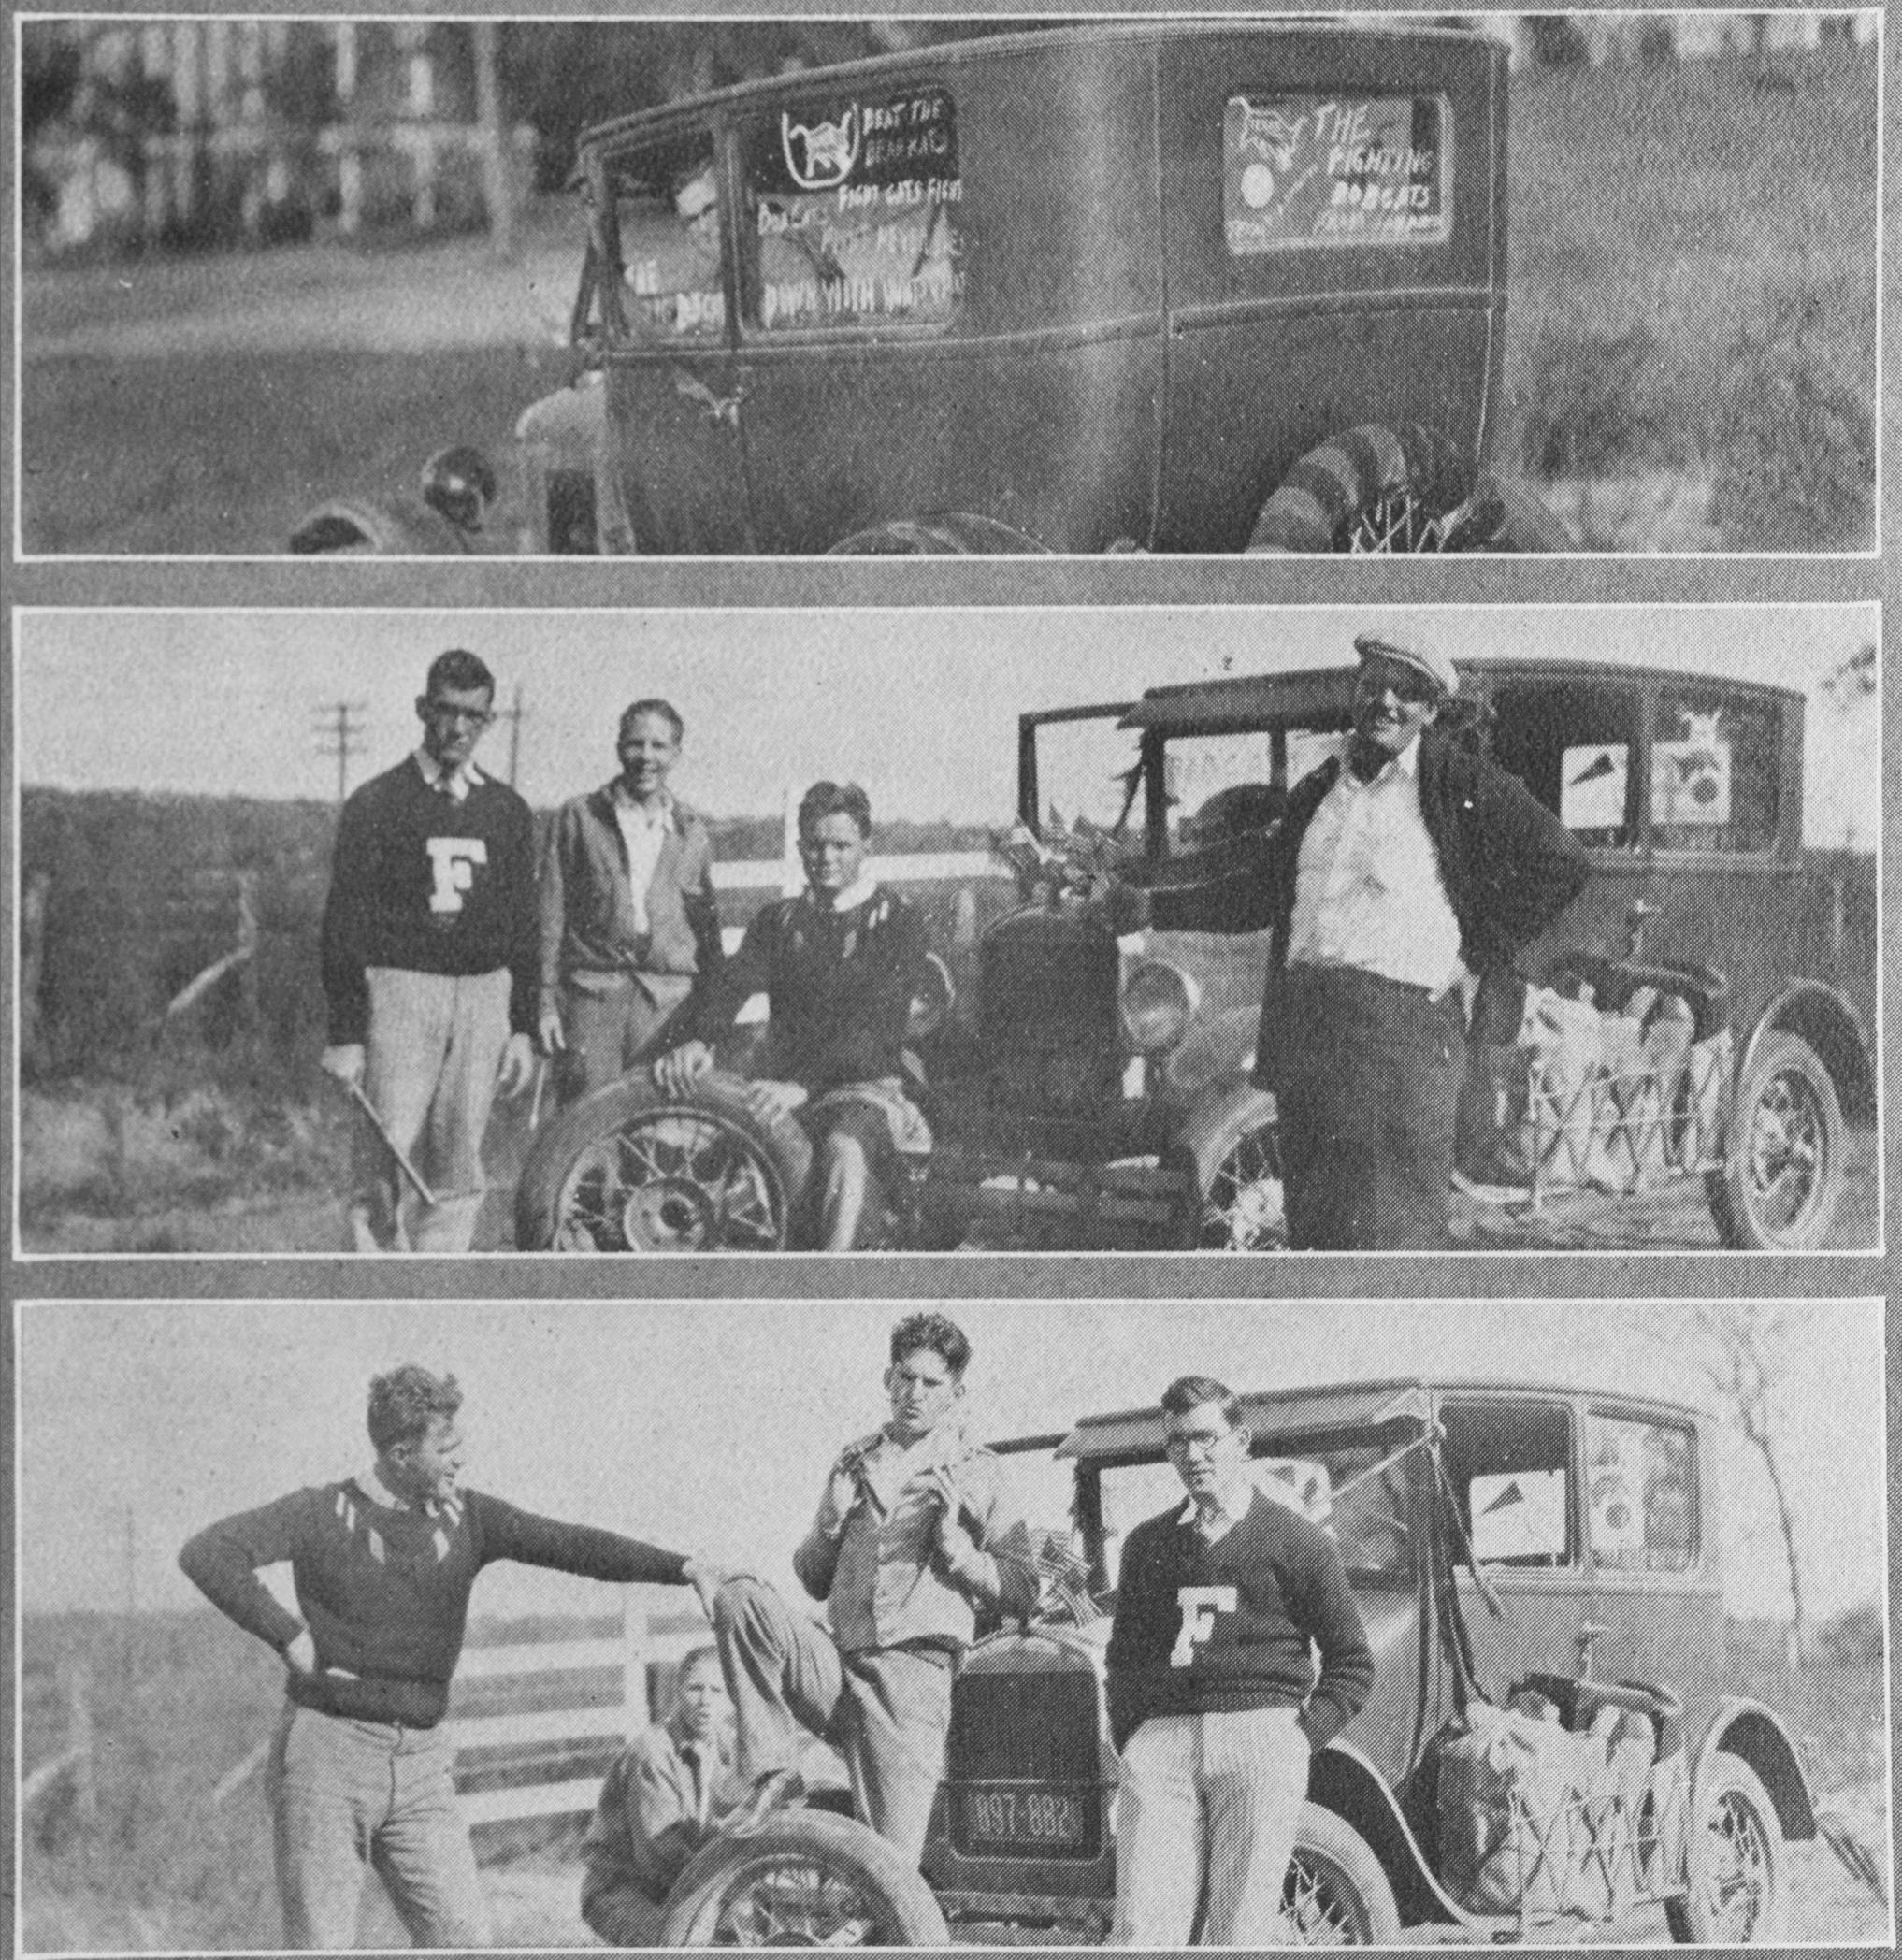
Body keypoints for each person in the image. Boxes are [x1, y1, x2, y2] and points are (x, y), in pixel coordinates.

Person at [178, 1364, 722, 1951]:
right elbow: (209, 1552)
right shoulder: (321, 1512)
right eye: (447, 1449)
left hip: (423, 1769)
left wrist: (683, 1568)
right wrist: (287, 1634)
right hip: (327, 1761)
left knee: (464, 1941)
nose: (461, 1462)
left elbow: (569, 1543)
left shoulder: (470, 1519)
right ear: (401, 1454)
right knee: (321, 1946)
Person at [1121, 630, 1590, 1248]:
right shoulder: (1319, 792)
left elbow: (1562, 861)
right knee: (1317, 1233)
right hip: (1309, 1039)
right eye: (1374, 686)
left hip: (1400, 1045)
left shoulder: (1458, 784)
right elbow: (1260, 893)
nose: (1387, 702)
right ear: (1355, 693)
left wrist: (1474, 952)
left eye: (1408, 692)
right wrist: (1151, 906)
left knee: (1391, 1243)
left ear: (1430, 710)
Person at [707, 1313, 1038, 1866]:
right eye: (905, 1378)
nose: (914, 1394)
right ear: (887, 1379)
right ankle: (772, 1771)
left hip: (909, 1683)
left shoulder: (979, 1472)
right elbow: (813, 1579)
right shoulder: (853, 1461)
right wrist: (831, 1523)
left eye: (931, 1384)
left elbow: (1024, 1588)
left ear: (957, 1393)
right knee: (739, 1597)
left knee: (887, 1871)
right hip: (837, 1666)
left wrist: (959, 1555)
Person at [1105, 1376, 1373, 1948]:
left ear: (1242, 1440)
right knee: (1140, 1929)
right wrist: (1136, 1737)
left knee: (1240, 1932)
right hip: (1163, 1747)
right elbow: (1124, 1657)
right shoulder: (1146, 1545)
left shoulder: (1297, 1541)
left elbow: (1352, 1663)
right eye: (1177, 1442)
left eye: (1206, 1438)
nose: (1191, 1455)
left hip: (1260, 1738)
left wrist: (1297, 1739)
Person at [319, 649, 538, 1253]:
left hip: (483, 998)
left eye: (474, 716)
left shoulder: (507, 812)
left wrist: (521, 1027)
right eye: (446, 711)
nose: (459, 729)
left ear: (488, 721)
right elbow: (343, 924)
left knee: (457, 1162)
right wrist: (346, 1033)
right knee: (383, 1158)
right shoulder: (377, 803)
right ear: (423, 709)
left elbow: (525, 926)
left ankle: (438, 1287)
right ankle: (376, 1287)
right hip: (401, 991)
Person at [654, 781, 930, 1250]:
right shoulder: (779, 920)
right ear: (801, 846)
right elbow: (732, 984)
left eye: (841, 845)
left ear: (867, 845)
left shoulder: (897, 919)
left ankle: (831, 1278)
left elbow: (876, 1027)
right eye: (815, 844)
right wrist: (700, 1040)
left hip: (861, 1087)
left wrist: (801, 1087)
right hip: (782, 1082)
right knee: (706, 1146)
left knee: (844, 1149)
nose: (826, 857)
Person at [539, 699, 725, 1106]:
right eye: (635, 744)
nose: (646, 757)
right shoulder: (580, 817)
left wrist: (704, 1029)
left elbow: (708, 938)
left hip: (666, 1004)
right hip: (593, 999)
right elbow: (550, 916)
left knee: (658, 1129)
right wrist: (545, 1003)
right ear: (619, 746)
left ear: (676, 753)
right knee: (584, 1126)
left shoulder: (691, 831)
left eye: (659, 746)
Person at [580, 1644, 741, 1946]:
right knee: (685, 1946)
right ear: (678, 1691)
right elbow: (659, 1857)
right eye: (695, 1689)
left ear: (731, 1698)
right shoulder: (651, 1754)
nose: (705, 1701)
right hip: (625, 1889)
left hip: (684, 1882)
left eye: (717, 1691)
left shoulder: (727, 1746)